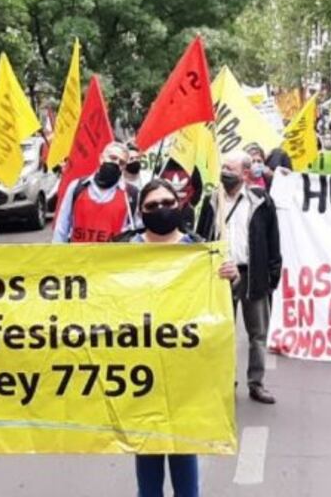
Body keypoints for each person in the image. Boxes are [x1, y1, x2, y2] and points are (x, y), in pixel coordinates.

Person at [131, 179, 238, 497]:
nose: (161, 210)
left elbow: (216, 302)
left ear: (179, 205)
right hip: (140, 365)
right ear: (140, 212)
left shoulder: (199, 248)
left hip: (186, 366)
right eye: (152, 206)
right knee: (147, 444)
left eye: (167, 202)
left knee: (183, 442)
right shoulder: (121, 249)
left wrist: (230, 276)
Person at [197, 151, 281, 404]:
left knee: (258, 334)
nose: (225, 173)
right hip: (221, 276)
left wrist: (272, 276)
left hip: (252, 274)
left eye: (230, 169)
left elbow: (272, 240)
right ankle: (225, 380)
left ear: (245, 173)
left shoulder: (261, 201)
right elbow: (201, 238)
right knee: (223, 332)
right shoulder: (212, 201)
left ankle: (256, 383)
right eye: (223, 168)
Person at [53, 142, 135, 243]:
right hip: (78, 257)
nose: (116, 163)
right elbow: (61, 229)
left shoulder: (131, 195)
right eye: (112, 158)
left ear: (124, 167)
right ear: (101, 158)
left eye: (121, 162)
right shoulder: (77, 187)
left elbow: (137, 235)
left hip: (111, 258)